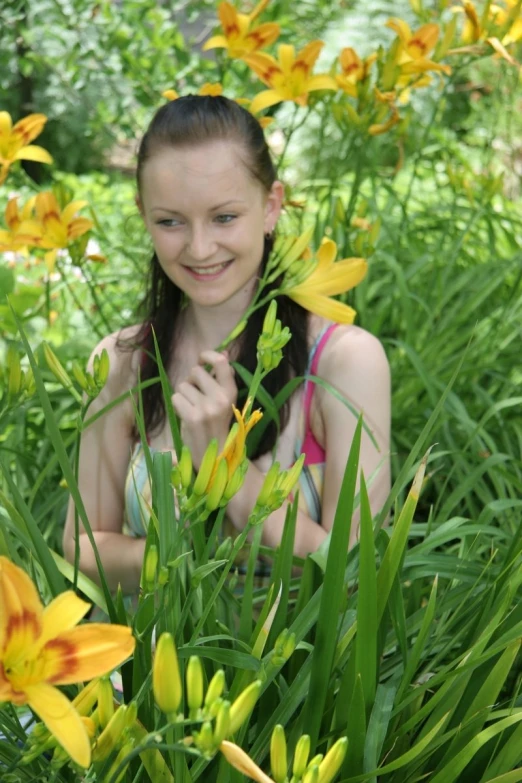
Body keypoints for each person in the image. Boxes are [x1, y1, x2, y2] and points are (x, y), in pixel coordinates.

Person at [63, 95, 391, 595]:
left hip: (302, 670)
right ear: (143, 215)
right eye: (170, 221)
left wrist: (224, 466)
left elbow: (353, 569)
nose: (198, 248)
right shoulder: (121, 363)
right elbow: (82, 549)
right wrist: (191, 553)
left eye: (224, 218)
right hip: (147, 665)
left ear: (271, 206)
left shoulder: (345, 362)